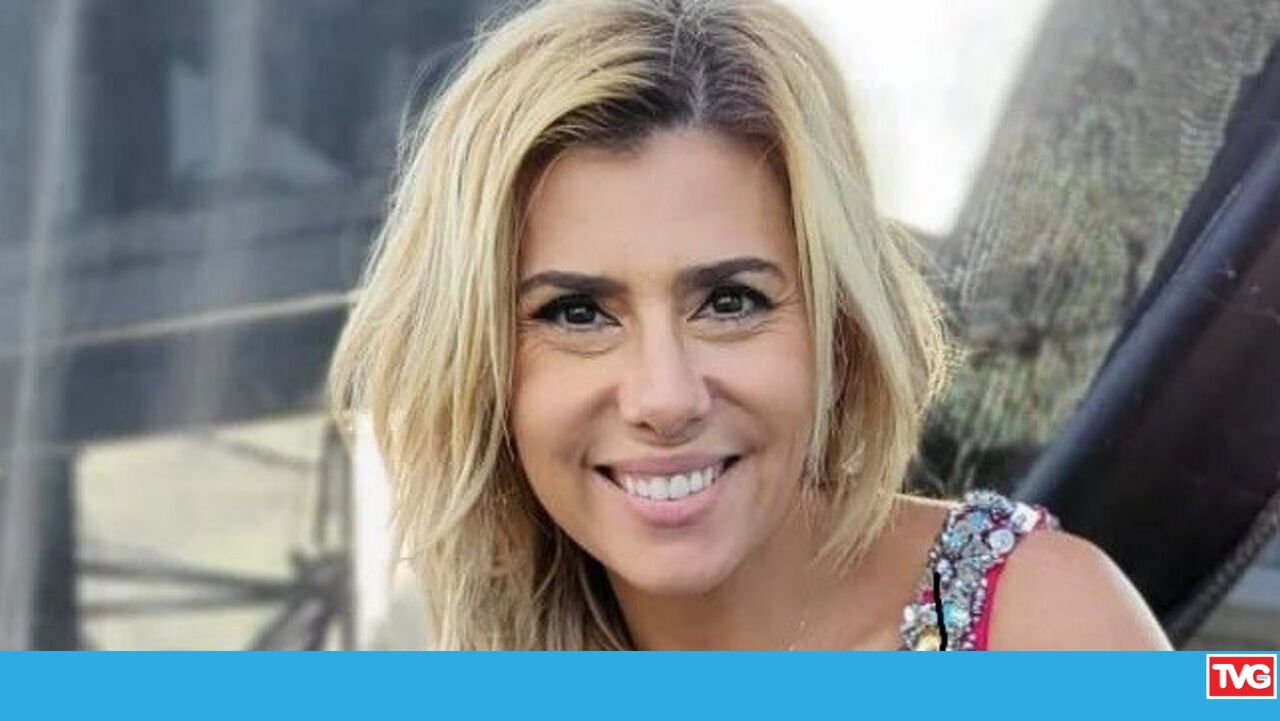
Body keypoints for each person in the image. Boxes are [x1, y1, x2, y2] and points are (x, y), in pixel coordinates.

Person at [328, 0, 1171, 650]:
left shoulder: (1042, 628)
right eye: (577, 313)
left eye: (730, 301)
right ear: (480, 366)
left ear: (839, 328)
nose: (665, 396)